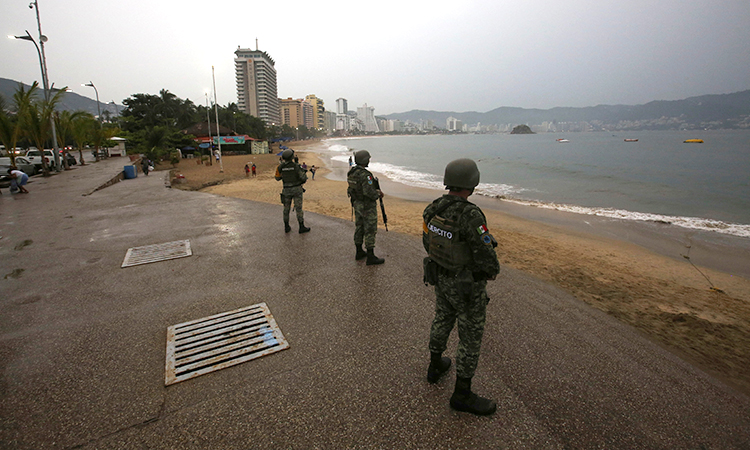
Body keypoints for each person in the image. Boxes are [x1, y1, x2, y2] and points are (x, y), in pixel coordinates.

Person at [422, 158, 500, 416]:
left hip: (440, 277)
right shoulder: (472, 215)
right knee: (470, 336)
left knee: (442, 318)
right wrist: (485, 273)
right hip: (466, 286)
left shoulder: (432, 209)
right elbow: (487, 257)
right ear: (472, 183)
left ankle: (435, 366)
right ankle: (462, 394)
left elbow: (427, 241)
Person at [347, 150, 384, 265]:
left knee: (359, 227)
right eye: (368, 159)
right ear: (364, 160)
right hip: (367, 205)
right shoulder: (366, 175)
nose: (369, 160)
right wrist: (378, 194)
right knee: (370, 229)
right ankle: (370, 256)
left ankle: (359, 251)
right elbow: (369, 192)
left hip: (357, 203)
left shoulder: (352, 172)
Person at [275, 149, 310, 234]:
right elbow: (303, 178)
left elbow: (277, 178)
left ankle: (286, 227)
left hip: (286, 190)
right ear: (292, 157)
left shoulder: (280, 167)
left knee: (286, 209)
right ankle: (301, 227)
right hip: (297, 190)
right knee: (298, 209)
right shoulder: (296, 166)